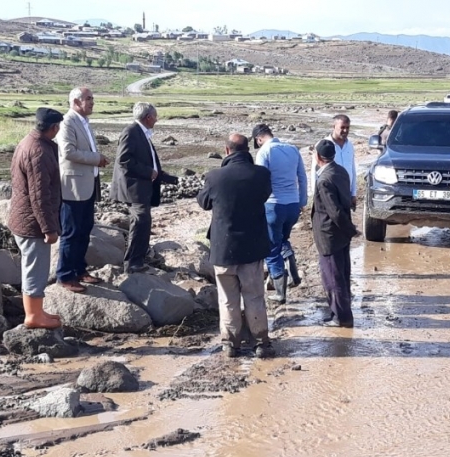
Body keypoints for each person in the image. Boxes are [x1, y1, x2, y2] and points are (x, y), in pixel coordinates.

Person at [197, 134, 274, 359]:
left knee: (227, 299)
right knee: (254, 297)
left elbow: (203, 202)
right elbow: (264, 195)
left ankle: (230, 344)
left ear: (227, 151)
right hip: (252, 247)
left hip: (223, 248)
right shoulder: (261, 174)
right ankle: (261, 343)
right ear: (247, 150)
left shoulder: (214, 177)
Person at [8, 108, 65, 330]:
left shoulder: (29, 141)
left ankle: (37, 311)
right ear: (54, 127)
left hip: (24, 218)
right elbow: (39, 196)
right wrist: (49, 228)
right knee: (35, 268)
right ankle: (33, 316)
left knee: (33, 266)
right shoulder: (38, 151)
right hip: (32, 223)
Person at [110, 102, 178, 273]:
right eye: (155, 116)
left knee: (143, 223)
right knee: (141, 223)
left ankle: (137, 261)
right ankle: (132, 263)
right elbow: (123, 160)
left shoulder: (141, 132)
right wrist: (149, 172)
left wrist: (165, 176)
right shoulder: (131, 131)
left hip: (141, 188)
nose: (156, 120)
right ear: (148, 117)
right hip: (133, 189)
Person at [55, 87, 109, 293]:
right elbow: (68, 152)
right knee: (71, 231)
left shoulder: (84, 121)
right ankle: (65, 276)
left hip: (87, 183)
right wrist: (97, 158)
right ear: (76, 101)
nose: (92, 102)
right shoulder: (67, 122)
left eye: (92, 98)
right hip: (73, 186)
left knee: (85, 229)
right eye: (88, 99)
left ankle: (79, 270)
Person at [251, 124, 308, 305]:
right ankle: (294, 274)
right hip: (292, 204)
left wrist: (257, 204)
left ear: (259, 139)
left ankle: (280, 293)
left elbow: (260, 180)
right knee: (283, 239)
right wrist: (302, 201)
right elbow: (302, 177)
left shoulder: (264, 152)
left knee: (271, 247)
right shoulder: (292, 149)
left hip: (273, 205)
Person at [312, 139, 359, 328]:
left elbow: (335, 211)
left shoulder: (324, 180)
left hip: (329, 235)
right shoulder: (340, 171)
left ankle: (341, 317)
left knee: (333, 278)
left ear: (317, 157)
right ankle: (339, 313)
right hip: (340, 236)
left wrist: (351, 230)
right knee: (341, 274)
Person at [310, 115, 357, 210]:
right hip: (329, 194)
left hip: (345, 193)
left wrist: (353, 194)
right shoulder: (323, 145)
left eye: (347, 127)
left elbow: (353, 170)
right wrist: (316, 196)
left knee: (344, 221)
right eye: (342, 127)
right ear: (334, 127)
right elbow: (314, 173)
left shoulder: (350, 146)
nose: (345, 130)